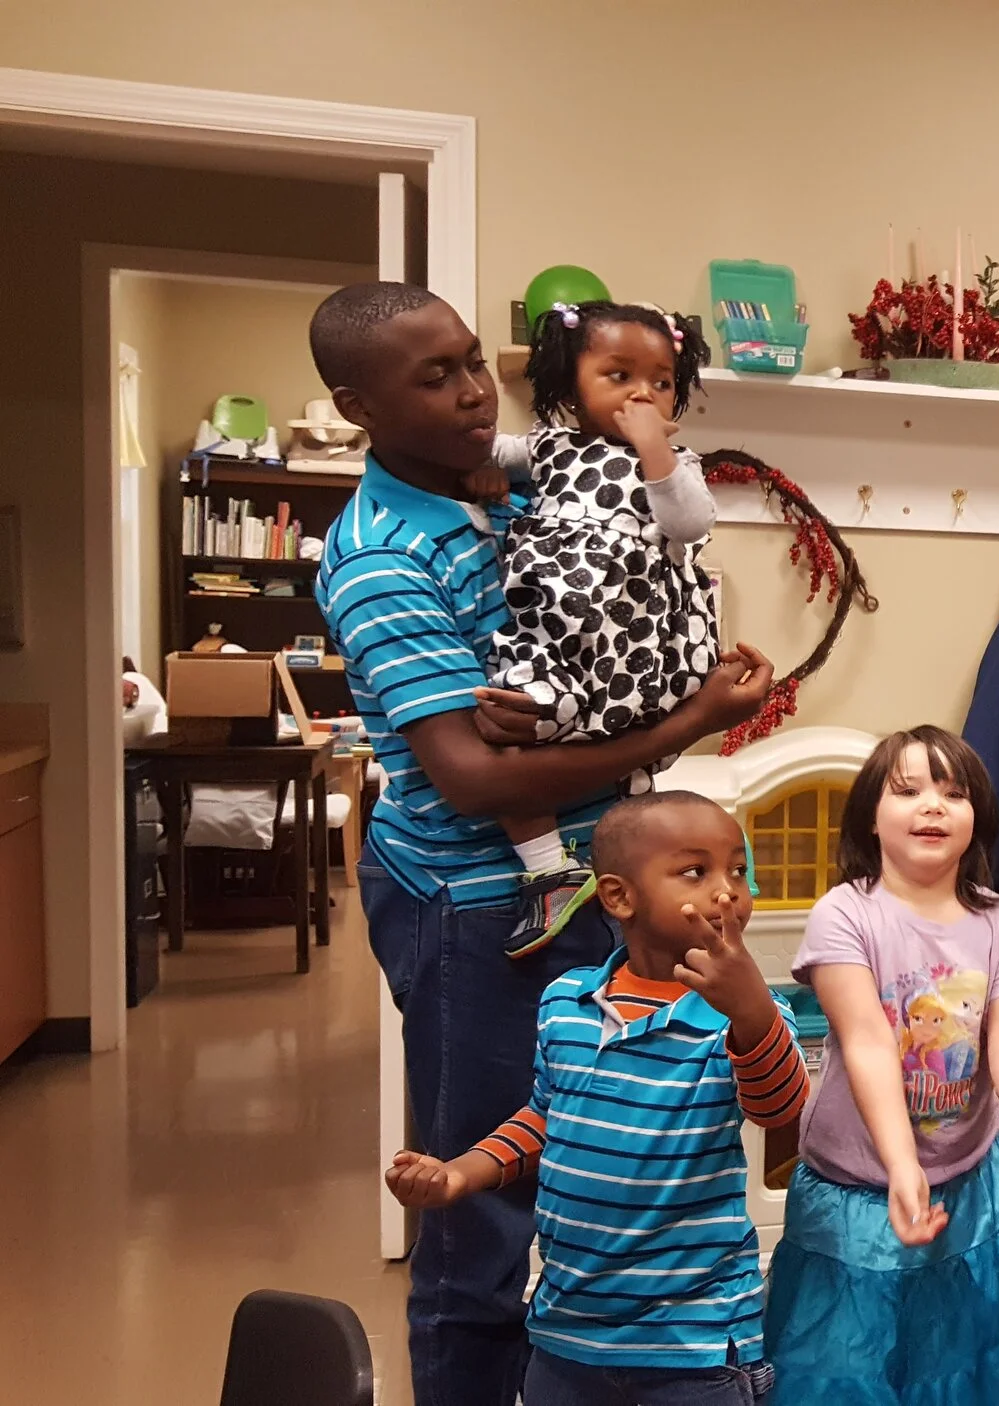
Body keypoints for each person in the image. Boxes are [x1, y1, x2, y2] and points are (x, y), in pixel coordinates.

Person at [310, 281, 773, 1406]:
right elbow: (469, 779)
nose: (473, 391)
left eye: (474, 361)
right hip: (477, 904)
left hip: (584, 884)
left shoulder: (508, 491)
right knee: (479, 1214)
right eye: (434, 376)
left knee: (587, 1176)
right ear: (354, 403)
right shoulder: (376, 556)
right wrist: (689, 723)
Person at [381, 790, 805, 1406]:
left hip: (693, 1349)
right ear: (618, 897)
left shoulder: (742, 1017)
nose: (726, 890)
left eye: (737, 871)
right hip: (566, 1339)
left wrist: (750, 1010)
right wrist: (457, 1176)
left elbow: (781, 1109)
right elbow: (549, 1117)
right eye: (696, 871)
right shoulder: (566, 1002)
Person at [764, 726, 999, 1406]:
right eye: (908, 791)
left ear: (978, 819)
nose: (932, 806)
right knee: (848, 1367)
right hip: (855, 1191)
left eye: (953, 794)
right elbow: (867, 1040)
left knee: (961, 1359)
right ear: (871, 815)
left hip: (970, 1187)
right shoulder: (845, 913)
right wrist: (902, 1167)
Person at [489, 299, 725, 956]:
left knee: (631, 763)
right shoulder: (547, 449)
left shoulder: (678, 464)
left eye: (661, 381)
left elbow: (691, 523)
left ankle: (630, 875)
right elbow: (477, 449)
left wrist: (655, 448)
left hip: (633, 648)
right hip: (559, 637)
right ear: (571, 385)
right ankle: (548, 870)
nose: (643, 394)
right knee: (516, 727)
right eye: (619, 376)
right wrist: (476, 472)